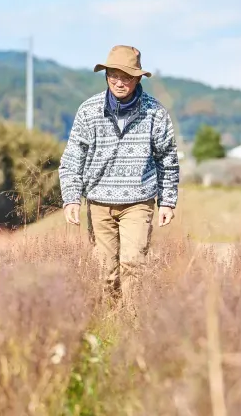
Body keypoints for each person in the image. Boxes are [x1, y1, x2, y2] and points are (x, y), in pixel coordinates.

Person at [58, 44, 180, 300]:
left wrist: (167, 202)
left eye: (126, 76)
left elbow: (167, 158)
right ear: (106, 76)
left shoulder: (155, 112)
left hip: (138, 201)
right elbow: (72, 157)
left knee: (133, 264)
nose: (119, 82)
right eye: (114, 75)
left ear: (137, 78)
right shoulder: (89, 110)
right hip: (98, 202)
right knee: (105, 271)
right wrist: (71, 197)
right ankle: (111, 325)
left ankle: (133, 326)